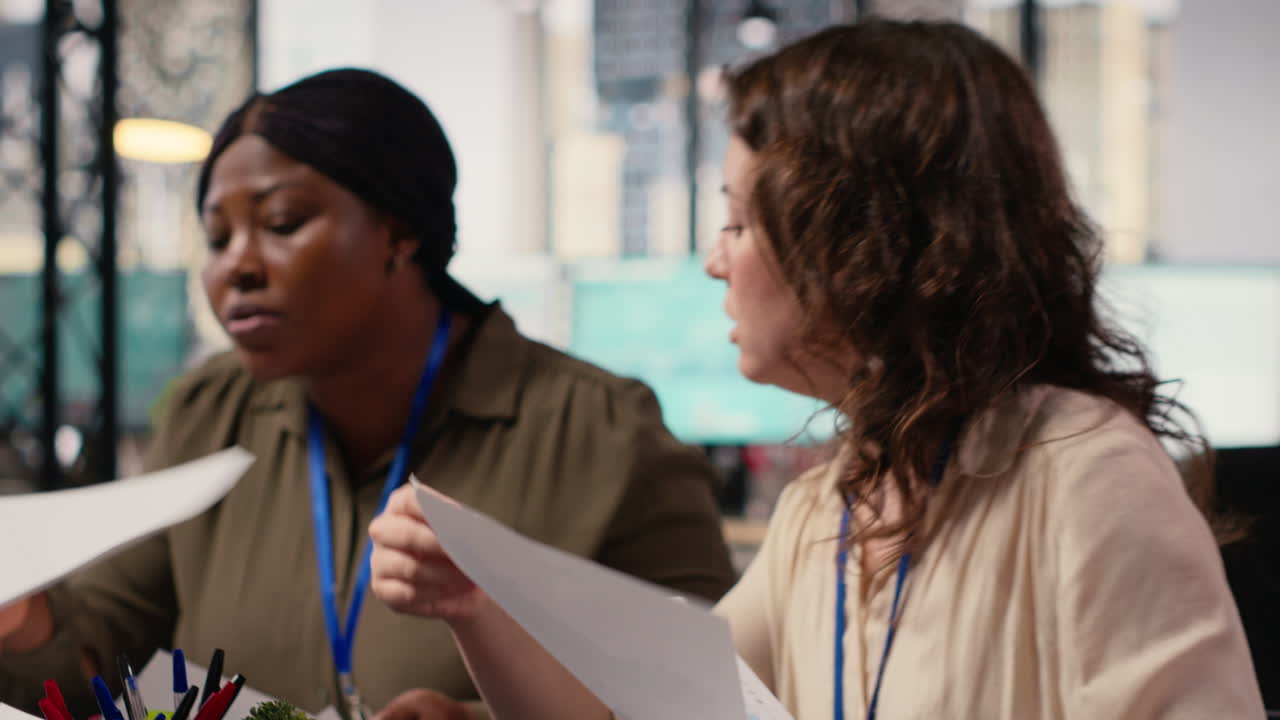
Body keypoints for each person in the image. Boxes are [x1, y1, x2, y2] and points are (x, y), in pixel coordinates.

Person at [366, 20, 1266, 720]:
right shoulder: (828, 505)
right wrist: (474, 603)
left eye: (738, 222)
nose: (715, 261)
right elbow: (640, 712)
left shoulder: (1084, 470)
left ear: (862, 241)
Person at [0, 68, 737, 720]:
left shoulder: (605, 432)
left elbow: (712, 698)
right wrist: (26, 617)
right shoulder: (207, 412)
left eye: (282, 223)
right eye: (217, 239)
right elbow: (94, 660)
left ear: (398, 231)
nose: (237, 268)